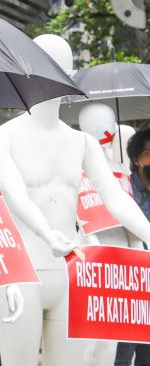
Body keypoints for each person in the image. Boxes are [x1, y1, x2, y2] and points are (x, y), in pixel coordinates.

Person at [115, 128, 150, 366]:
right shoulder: (121, 189)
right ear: (136, 159)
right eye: (149, 153)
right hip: (127, 282)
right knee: (122, 353)